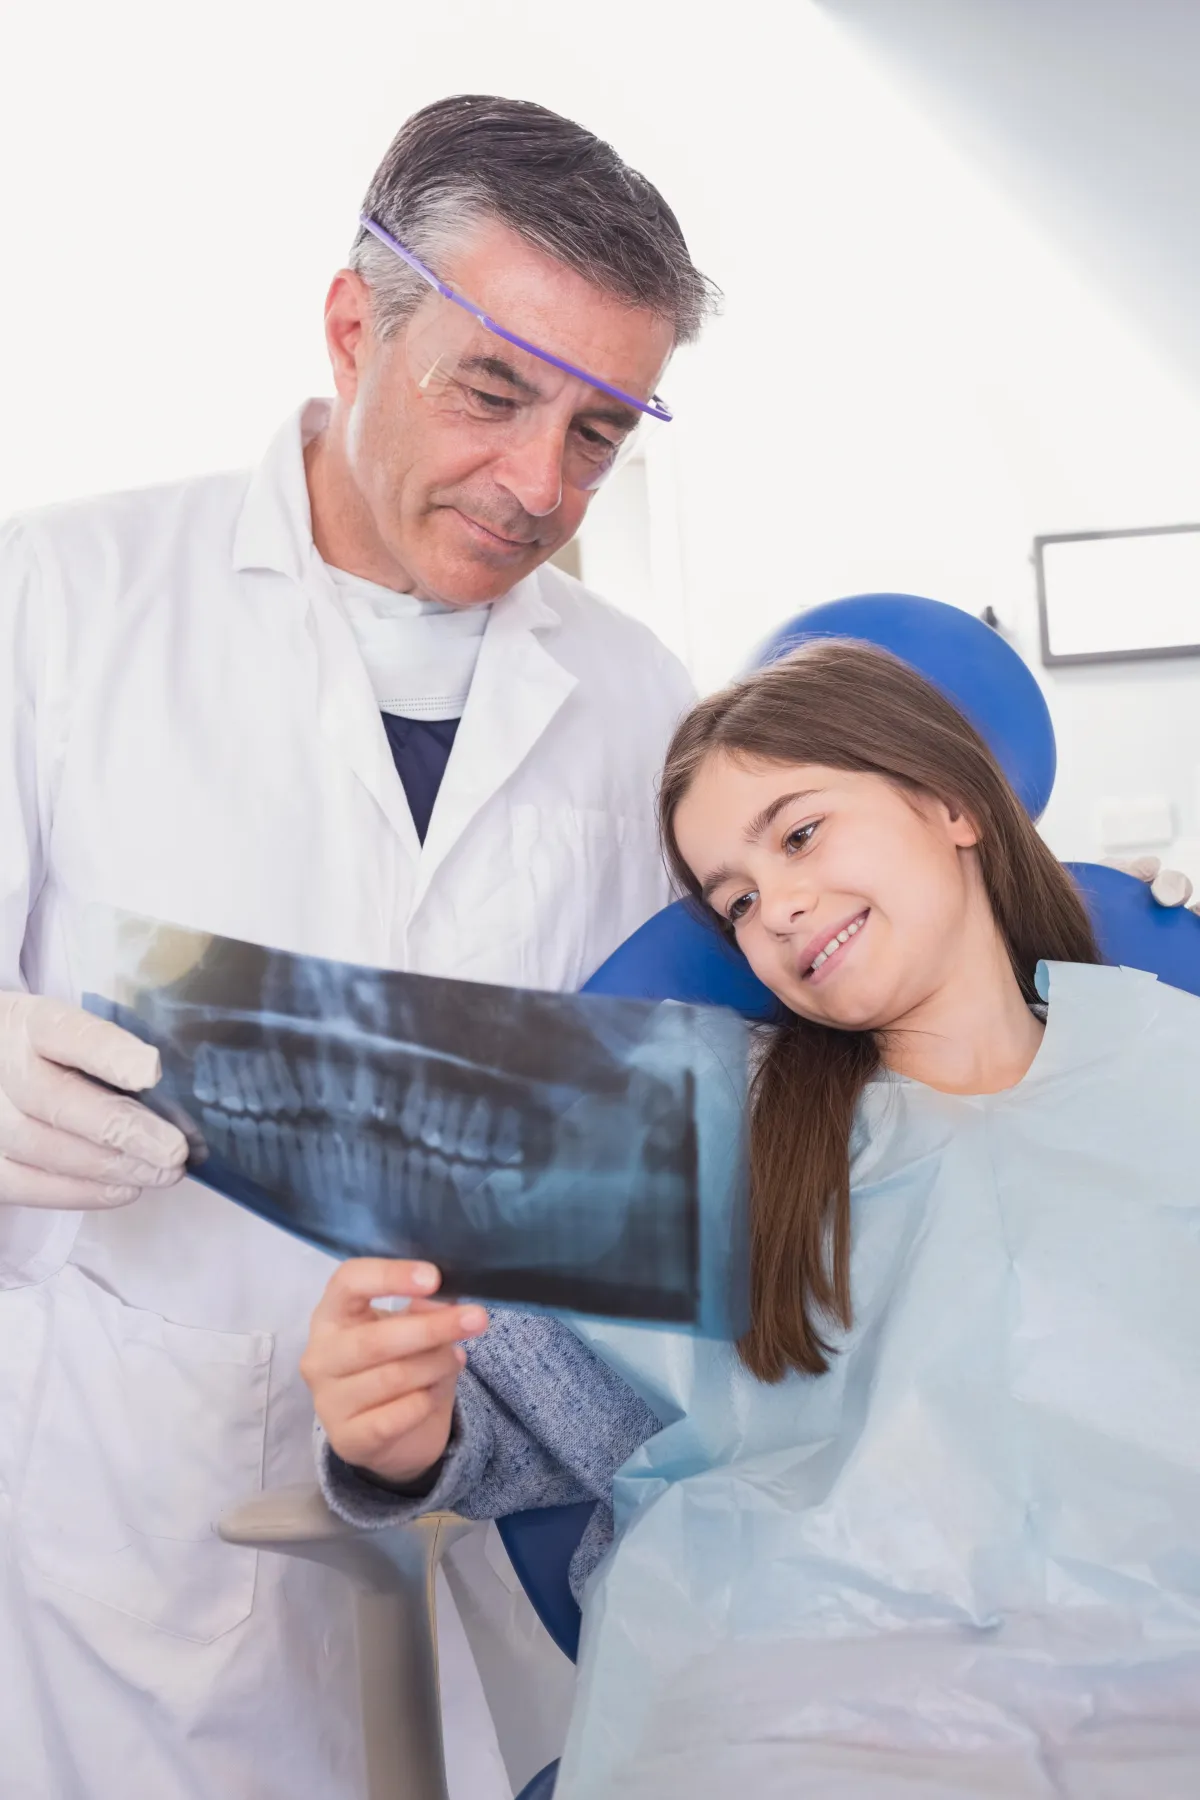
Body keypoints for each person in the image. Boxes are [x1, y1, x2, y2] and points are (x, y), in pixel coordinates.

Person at [0, 95, 714, 1800]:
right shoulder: (65, 599)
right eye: (493, 390)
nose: (539, 484)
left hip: (497, 1487)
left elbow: (659, 1109)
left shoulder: (632, 693)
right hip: (144, 1487)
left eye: (601, 433)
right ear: (353, 326)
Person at [308, 639, 1200, 1798]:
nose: (775, 907)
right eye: (733, 901)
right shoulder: (714, 1124)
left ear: (949, 803)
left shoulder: (1166, 1064)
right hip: (808, 1717)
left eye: (800, 834)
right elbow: (494, 1380)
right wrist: (392, 1435)